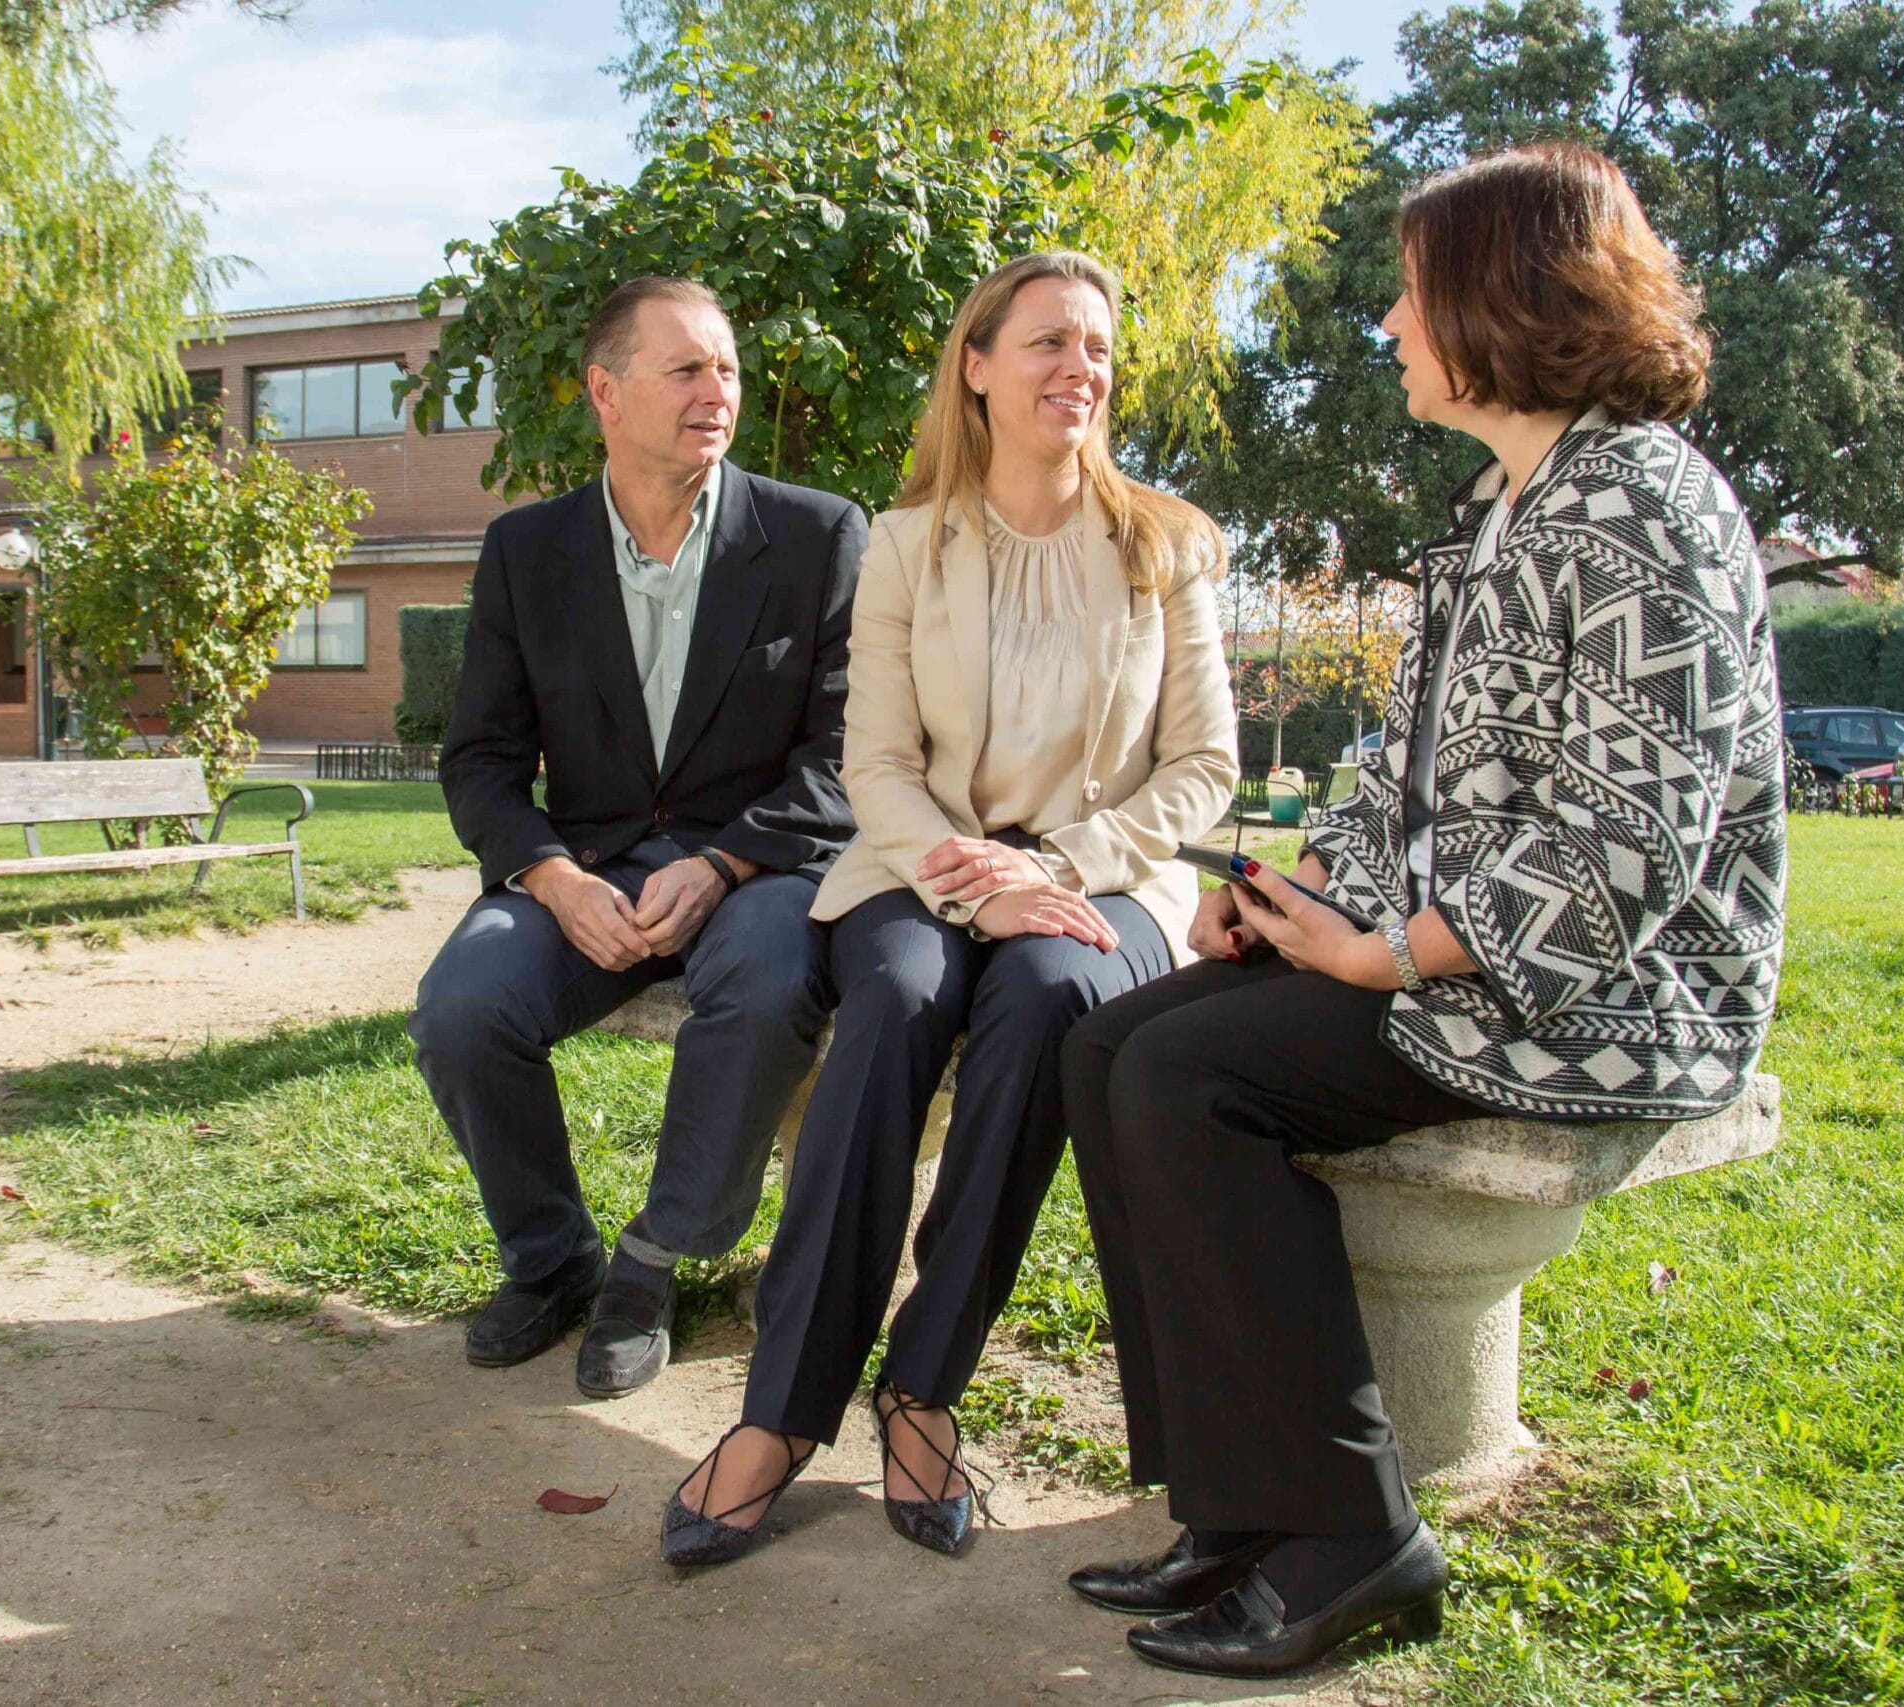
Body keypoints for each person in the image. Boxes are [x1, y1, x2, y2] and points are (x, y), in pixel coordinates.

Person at [1059, 142, 1788, 1679]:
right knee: (1109, 1042)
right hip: (1465, 961)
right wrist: (1283, 900)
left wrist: (1387, 951)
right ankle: (1241, 1504)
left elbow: (1625, 846)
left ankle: (1353, 1532)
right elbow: (1404, 777)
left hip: (1608, 997)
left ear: (1500, 299)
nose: (1389, 321)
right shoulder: (1500, 512)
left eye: (1411, 290)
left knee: (1188, 1077)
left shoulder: (1642, 507)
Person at [659, 251, 1239, 1566]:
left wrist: (1063, 861)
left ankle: (923, 1384)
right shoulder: (908, 542)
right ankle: (785, 1408)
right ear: (976, 366)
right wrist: (970, 868)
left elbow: (1206, 767)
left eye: (1096, 346)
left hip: (1104, 882)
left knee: (1045, 996)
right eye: (1047, 341)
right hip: (921, 867)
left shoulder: (1171, 546)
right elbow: (876, 764)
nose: (1077, 368)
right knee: (904, 993)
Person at [410, 277, 865, 1400]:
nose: (719, 392)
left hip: (753, 864)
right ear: (605, 392)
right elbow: (479, 758)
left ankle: (652, 1263)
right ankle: (550, 1259)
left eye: (729, 370)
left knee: (765, 992)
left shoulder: (817, 535)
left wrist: (722, 866)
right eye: (687, 369)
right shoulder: (527, 551)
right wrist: (553, 879)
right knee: (462, 1009)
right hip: (587, 868)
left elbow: (850, 749)